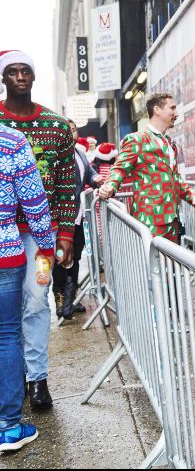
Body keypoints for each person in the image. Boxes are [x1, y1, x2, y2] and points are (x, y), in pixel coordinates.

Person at [0, 50, 77, 410]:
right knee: (7, 307)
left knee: (37, 298)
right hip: (4, 232)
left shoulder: (57, 126)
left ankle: (37, 379)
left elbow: (66, 184)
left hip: (42, 236)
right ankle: (11, 376)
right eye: (12, 71)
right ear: (3, 78)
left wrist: (66, 235)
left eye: (25, 71)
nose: (19, 77)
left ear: (34, 76)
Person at [0, 122, 55, 451]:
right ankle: (7, 427)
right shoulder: (10, 141)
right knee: (7, 334)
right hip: (5, 251)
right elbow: (34, 202)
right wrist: (46, 247)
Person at [98, 93, 195, 240]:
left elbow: (174, 177)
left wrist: (192, 197)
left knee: (170, 255)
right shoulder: (137, 139)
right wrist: (110, 185)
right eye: (172, 108)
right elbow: (119, 168)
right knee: (151, 256)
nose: (176, 113)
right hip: (148, 220)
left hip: (172, 219)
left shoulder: (169, 143)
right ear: (157, 110)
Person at [53, 119, 104, 320]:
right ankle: (60, 301)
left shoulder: (80, 154)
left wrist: (96, 179)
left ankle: (70, 301)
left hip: (78, 217)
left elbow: (89, 173)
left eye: (73, 130)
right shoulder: (56, 156)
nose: (70, 133)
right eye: (66, 130)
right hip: (60, 219)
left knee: (75, 258)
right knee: (60, 259)